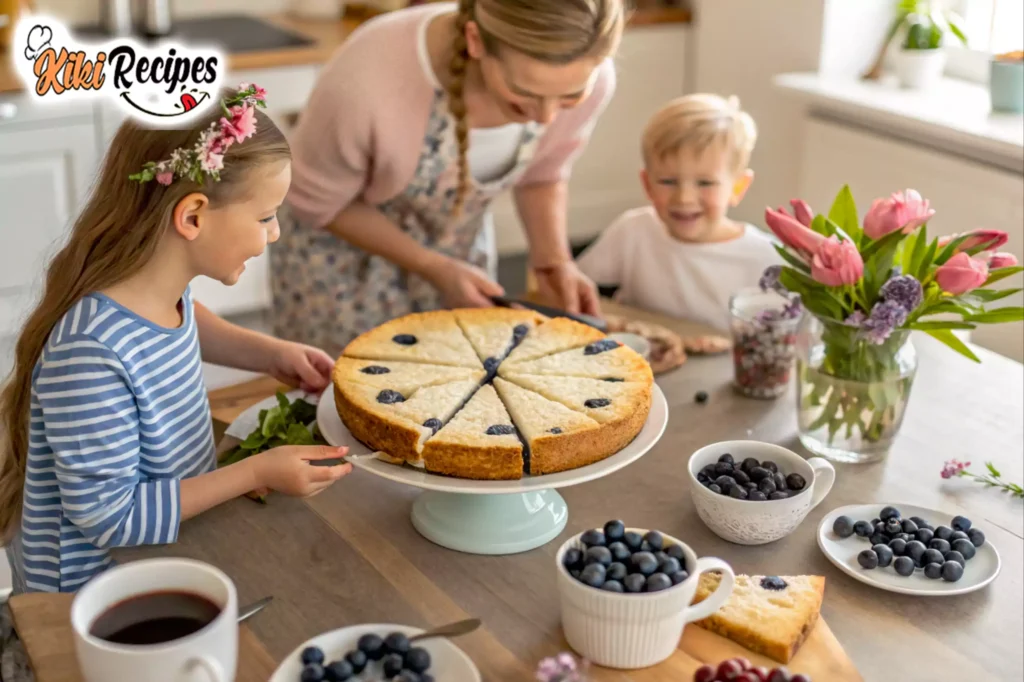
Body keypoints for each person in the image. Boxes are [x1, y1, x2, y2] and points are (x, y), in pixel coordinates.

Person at [0, 85, 353, 599]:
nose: (274, 234)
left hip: (159, 552)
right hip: (91, 597)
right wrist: (256, 470)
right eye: (264, 217)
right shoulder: (91, 354)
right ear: (192, 216)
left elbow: (184, 322)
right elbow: (112, 519)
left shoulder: (155, 291)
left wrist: (270, 354)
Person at [271, 0, 625, 356]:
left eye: (569, 97)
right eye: (525, 94)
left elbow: (543, 173)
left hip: (459, 263)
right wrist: (433, 266)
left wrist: (553, 261)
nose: (546, 117)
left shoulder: (593, 79)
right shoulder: (368, 77)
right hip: (342, 268)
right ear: (476, 41)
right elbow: (315, 201)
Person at [576, 93, 781, 331]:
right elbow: (577, 287)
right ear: (647, 184)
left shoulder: (766, 260)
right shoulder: (632, 231)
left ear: (737, 187)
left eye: (705, 183)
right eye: (668, 181)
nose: (684, 198)